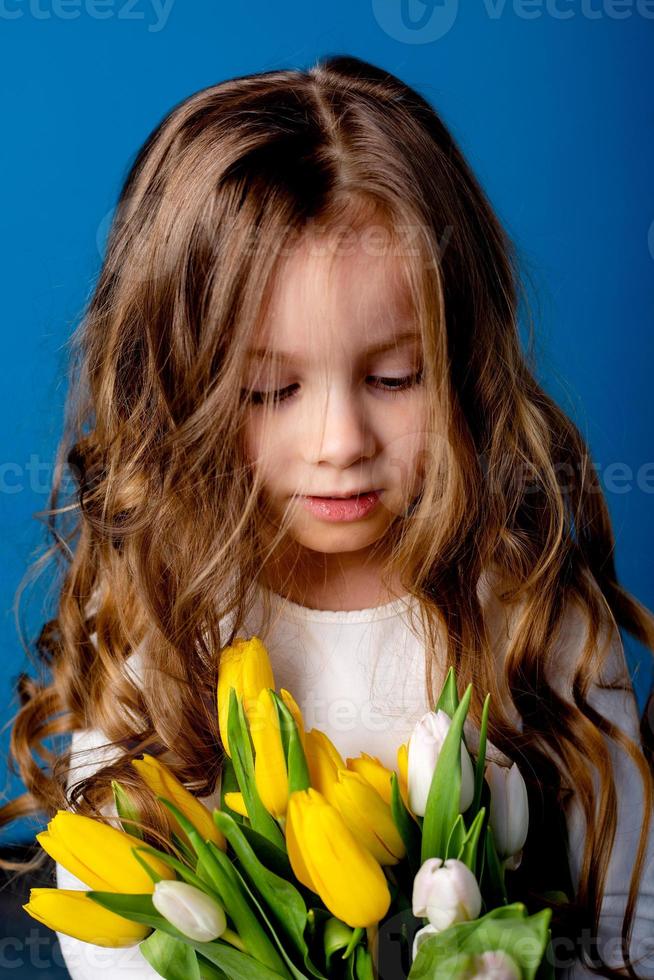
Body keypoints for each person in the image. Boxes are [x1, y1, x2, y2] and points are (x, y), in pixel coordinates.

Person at [1, 54, 652, 979]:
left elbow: (633, 914)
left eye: (395, 378)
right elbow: (112, 938)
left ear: (463, 365)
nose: (339, 440)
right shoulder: (174, 610)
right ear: (181, 394)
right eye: (269, 390)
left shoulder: (532, 612)